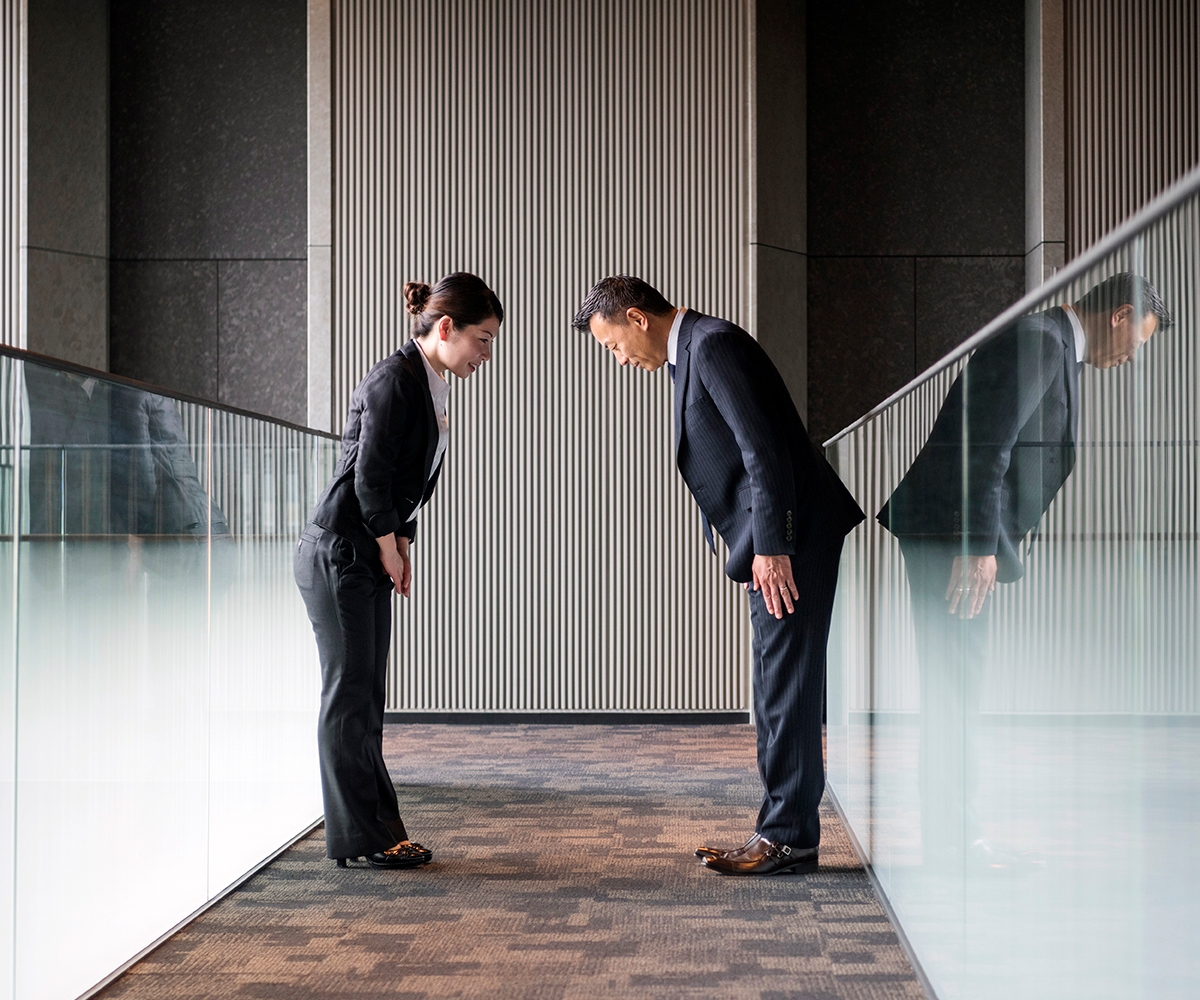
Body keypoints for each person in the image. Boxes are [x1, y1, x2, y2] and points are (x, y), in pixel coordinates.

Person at [573, 275, 865, 876]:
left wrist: (772, 546)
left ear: (638, 317)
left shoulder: (713, 346)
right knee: (778, 686)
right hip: (778, 542)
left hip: (791, 543)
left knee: (786, 688)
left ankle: (787, 837)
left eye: (613, 346)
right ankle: (785, 831)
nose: (620, 360)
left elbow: (764, 449)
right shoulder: (694, 352)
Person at [878, 271, 1171, 868]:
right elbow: (986, 443)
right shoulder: (1041, 340)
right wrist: (979, 544)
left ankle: (952, 838)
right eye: (1136, 344)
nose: (1131, 358)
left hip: (949, 535)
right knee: (956, 688)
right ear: (1118, 316)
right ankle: (955, 844)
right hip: (952, 539)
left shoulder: (1051, 343)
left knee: (955, 687)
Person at [296, 272, 503, 869]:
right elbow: (368, 478)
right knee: (349, 695)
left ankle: (378, 832)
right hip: (341, 551)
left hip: (365, 549)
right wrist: (389, 546)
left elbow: (403, 479)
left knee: (365, 694)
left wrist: (400, 539)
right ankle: (364, 841)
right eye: (482, 340)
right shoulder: (396, 379)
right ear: (446, 328)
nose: (485, 355)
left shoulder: (429, 381)